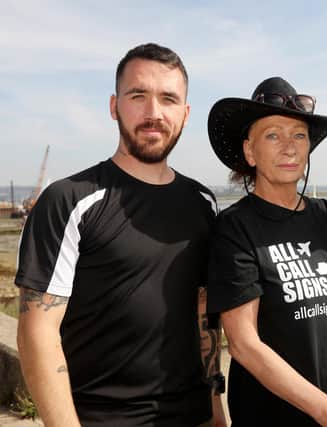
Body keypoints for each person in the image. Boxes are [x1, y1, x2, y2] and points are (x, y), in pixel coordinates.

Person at [15, 43, 226, 427]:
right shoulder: (70, 199)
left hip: (192, 417)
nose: (153, 113)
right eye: (138, 96)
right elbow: (37, 334)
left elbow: (204, 317)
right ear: (114, 106)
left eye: (168, 99)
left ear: (185, 113)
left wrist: (217, 414)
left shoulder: (203, 202)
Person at [206, 77, 327, 426]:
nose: (289, 147)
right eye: (273, 135)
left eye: (299, 135)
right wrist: (323, 408)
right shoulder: (235, 228)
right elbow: (243, 344)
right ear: (250, 152)